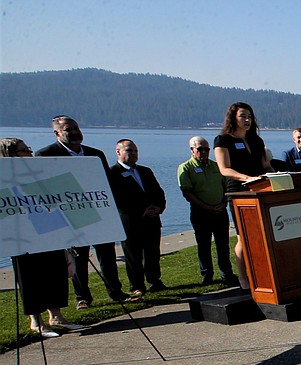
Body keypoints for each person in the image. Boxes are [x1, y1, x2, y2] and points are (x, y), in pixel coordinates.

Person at [35, 115, 126, 308]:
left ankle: (116, 292)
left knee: (107, 255)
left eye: (76, 128)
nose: (75, 133)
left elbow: (106, 183)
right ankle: (82, 297)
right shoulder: (46, 155)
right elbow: (44, 189)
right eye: (69, 129)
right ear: (57, 133)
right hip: (70, 216)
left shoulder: (95, 154)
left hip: (98, 212)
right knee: (79, 258)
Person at [2, 137, 84, 337]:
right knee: (31, 277)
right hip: (23, 238)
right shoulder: (5, 178)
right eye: (24, 151)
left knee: (53, 271)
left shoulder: (37, 175)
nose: (29, 153)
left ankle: (56, 315)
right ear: (11, 155)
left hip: (49, 231)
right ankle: (36, 321)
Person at [214, 102, 270, 290]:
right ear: (233, 118)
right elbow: (224, 169)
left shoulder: (256, 140)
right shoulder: (223, 140)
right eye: (243, 116)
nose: (247, 120)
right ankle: (243, 277)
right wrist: (247, 178)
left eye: (250, 117)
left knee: (262, 235)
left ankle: (263, 273)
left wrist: (276, 175)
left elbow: (264, 165)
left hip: (260, 190)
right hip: (238, 191)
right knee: (243, 237)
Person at [109, 139, 166, 299]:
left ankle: (155, 280)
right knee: (133, 256)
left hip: (152, 220)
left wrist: (158, 208)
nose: (133, 154)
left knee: (153, 253)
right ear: (118, 152)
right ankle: (137, 285)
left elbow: (158, 192)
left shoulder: (145, 171)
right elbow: (118, 199)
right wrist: (142, 211)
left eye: (135, 151)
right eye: (129, 150)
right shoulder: (112, 173)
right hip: (130, 221)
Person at [178, 136, 237, 286]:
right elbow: (187, 192)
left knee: (223, 244)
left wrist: (223, 203)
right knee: (204, 245)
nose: (204, 152)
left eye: (207, 149)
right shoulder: (186, 168)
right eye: (200, 149)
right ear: (192, 150)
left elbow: (226, 186)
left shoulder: (216, 166)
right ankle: (207, 275)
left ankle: (227, 273)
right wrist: (206, 207)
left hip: (220, 211)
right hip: (201, 213)